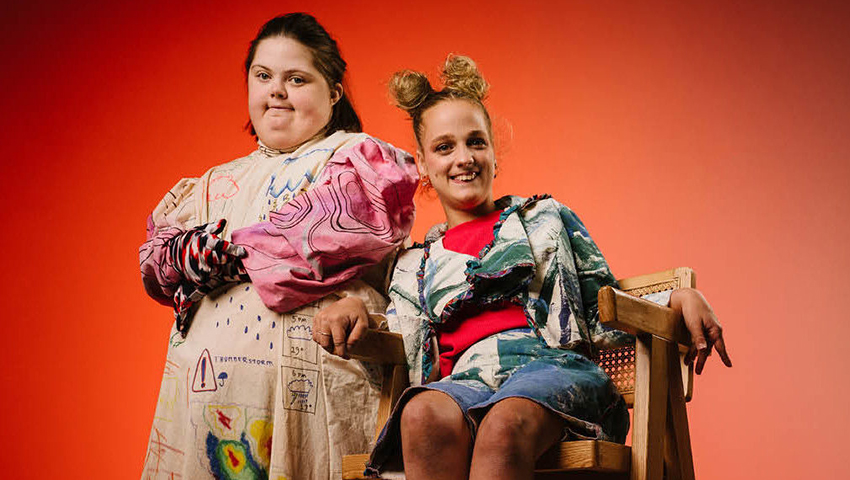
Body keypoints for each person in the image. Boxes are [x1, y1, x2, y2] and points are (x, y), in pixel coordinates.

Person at [312, 55, 732, 480]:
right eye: (445, 147)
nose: (464, 158)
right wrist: (359, 312)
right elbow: (402, 344)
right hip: (466, 385)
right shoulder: (413, 265)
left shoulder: (544, 219)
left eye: (476, 142)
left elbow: (601, 305)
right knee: (419, 415)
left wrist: (678, 297)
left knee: (503, 423)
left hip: (551, 374)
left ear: (494, 152)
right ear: (422, 163)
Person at [138, 13, 418, 480]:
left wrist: (216, 254)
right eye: (263, 76)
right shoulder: (214, 181)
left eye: (297, 78)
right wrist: (181, 257)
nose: (276, 91)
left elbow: (326, 235)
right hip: (205, 411)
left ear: (334, 91)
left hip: (311, 405)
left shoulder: (358, 158)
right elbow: (155, 262)